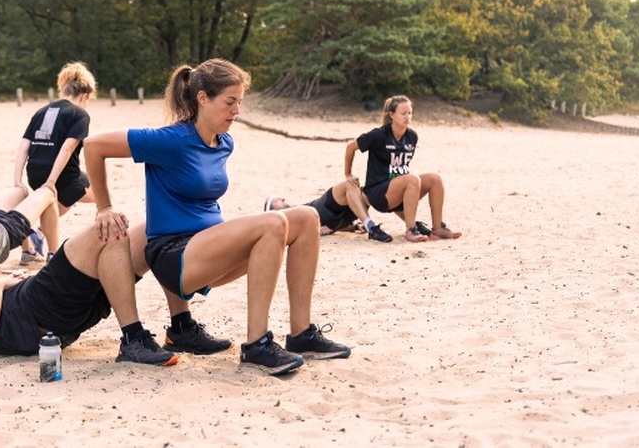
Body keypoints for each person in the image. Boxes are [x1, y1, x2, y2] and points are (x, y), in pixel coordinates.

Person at [83, 58, 351, 376]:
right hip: (175, 256)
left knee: (306, 218)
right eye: (229, 102)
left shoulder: (224, 142)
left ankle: (302, 334)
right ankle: (257, 345)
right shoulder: (170, 140)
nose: (236, 110)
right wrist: (104, 207)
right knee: (274, 222)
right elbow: (93, 145)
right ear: (202, 98)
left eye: (239, 102)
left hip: (208, 249)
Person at [0, 222, 183, 366]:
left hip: (62, 311)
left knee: (152, 233)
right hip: (41, 305)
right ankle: (134, 339)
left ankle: (182, 327)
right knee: (106, 230)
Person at [13, 61, 97, 264]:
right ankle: (50, 244)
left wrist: (18, 180)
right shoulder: (80, 114)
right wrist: (51, 181)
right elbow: (67, 148)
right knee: (99, 196)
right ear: (84, 95)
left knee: (64, 198)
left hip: (34, 173)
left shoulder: (41, 111)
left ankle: (35, 237)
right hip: (62, 175)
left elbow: (23, 147)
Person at [354, 95, 462, 242]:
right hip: (379, 194)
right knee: (412, 179)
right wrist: (348, 174)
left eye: (410, 113)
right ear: (391, 114)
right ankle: (411, 230)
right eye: (403, 113)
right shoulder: (378, 135)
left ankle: (438, 228)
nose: (407, 117)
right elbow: (350, 147)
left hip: (399, 191)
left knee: (435, 179)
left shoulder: (412, 136)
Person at [263, 179, 394, 242]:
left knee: (367, 194)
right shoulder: (284, 219)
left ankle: (410, 226)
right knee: (349, 185)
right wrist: (313, 230)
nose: (283, 199)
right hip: (322, 209)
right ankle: (371, 227)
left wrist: (351, 228)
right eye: (278, 200)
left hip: (339, 221)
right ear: (272, 211)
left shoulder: (291, 216)